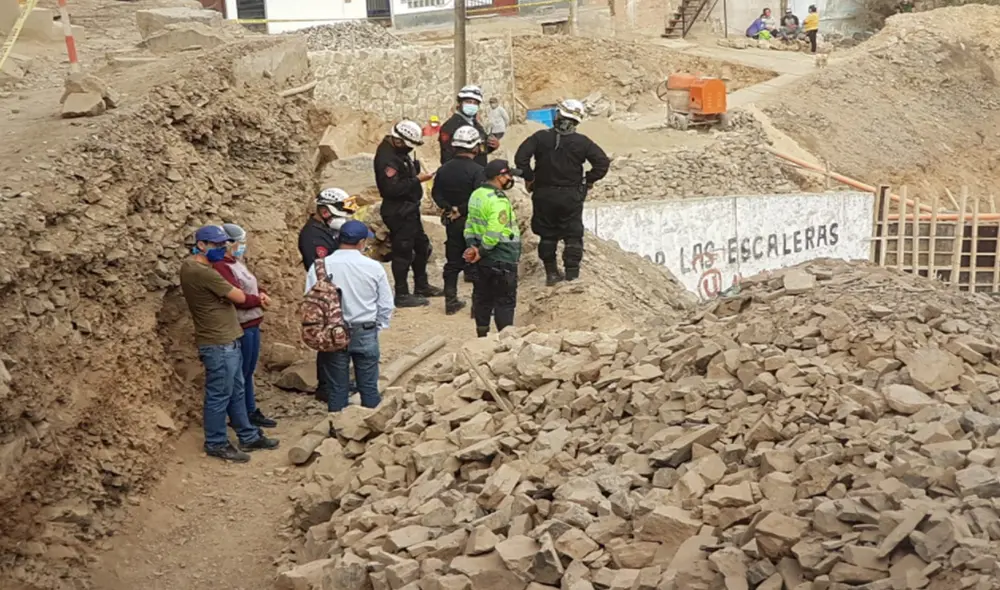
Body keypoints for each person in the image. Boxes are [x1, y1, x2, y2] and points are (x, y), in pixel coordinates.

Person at [180, 225, 279, 463]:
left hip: (227, 337)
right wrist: (259, 298)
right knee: (220, 394)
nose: (221, 249)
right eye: (215, 245)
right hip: (218, 341)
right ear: (201, 245)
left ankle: (247, 434)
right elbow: (240, 297)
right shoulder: (202, 272)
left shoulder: (195, 266)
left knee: (235, 390)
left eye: (223, 244)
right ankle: (216, 442)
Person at [514, 99, 610, 286]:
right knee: (573, 235)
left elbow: (521, 158)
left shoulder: (540, 137)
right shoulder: (583, 143)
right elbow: (602, 163)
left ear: (558, 115)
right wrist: (588, 180)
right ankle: (572, 275)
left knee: (547, 235)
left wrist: (529, 177)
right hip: (571, 195)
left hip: (543, 194)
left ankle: (551, 273)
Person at [305, 221, 394, 412]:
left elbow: (311, 301)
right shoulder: (373, 267)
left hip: (332, 332)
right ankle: (372, 430)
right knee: (369, 385)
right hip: (365, 329)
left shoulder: (319, 266)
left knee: (337, 388)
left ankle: (336, 429)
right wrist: (378, 325)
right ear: (362, 242)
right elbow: (386, 304)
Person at [212, 223, 277, 429]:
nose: (242, 246)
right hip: (242, 323)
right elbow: (238, 296)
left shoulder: (235, 261)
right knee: (241, 374)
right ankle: (242, 416)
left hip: (252, 322)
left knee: (247, 371)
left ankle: (249, 410)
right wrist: (258, 300)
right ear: (228, 244)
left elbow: (250, 283)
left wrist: (262, 292)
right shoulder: (222, 266)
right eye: (239, 242)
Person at [374, 119, 444, 308]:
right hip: (398, 211)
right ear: (398, 140)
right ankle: (402, 294)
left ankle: (421, 285)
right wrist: (416, 180)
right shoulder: (387, 159)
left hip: (409, 209)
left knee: (422, 247)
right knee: (403, 252)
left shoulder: (398, 153)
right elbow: (391, 189)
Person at [464, 160, 522, 338]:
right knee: (504, 301)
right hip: (502, 256)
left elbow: (470, 223)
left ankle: (482, 336)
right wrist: (482, 251)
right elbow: (495, 230)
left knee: (482, 297)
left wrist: (472, 247)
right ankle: (505, 340)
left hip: (482, 257)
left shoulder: (476, 195)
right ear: (499, 177)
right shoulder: (498, 200)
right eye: (508, 175)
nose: (510, 178)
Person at [432, 125, 486, 315]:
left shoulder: (443, 169)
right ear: (475, 147)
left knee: (453, 262)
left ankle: (451, 300)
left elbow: (435, 193)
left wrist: (449, 208)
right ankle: (479, 306)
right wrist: (461, 210)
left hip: (452, 222)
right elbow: (478, 197)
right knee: (479, 261)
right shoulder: (479, 171)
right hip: (472, 222)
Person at [297, 188, 358, 272]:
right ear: (324, 212)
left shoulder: (326, 228)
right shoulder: (313, 236)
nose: (342, 220)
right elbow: (320, 271)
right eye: (338, 216)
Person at [439, 84, 498, 167]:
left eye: (475, 103)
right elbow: (447, 156)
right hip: (462, 174)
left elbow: (480, 148)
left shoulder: (475, 124)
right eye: (468, 102)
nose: (472, 105)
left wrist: (492, 146)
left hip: (478, 172)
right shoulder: (450, 126)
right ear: (460, 103)